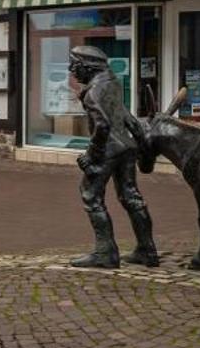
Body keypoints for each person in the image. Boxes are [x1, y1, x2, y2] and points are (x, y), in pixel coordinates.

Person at [67, 45, 158, 268]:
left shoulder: (93, 92)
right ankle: (147, 250)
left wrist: (92, 155)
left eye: (74, 65)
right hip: (126, 147)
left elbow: (102, 125)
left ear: (86, 67)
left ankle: (105, 252)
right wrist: (140, 139)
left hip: (108, 149)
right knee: (131, 196)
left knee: (90, 195)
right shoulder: (112, 82)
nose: (71, 70)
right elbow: (126, 115)